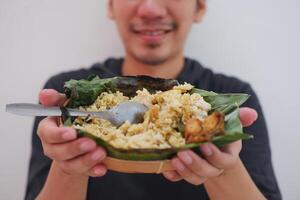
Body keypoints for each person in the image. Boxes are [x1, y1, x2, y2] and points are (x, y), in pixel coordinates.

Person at [25, 0, 281, 199]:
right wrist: (67, 164)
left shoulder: (229, 104)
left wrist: (224, 168)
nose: (150, 9)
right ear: (111, 5)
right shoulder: (68, 100)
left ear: (200, 6)